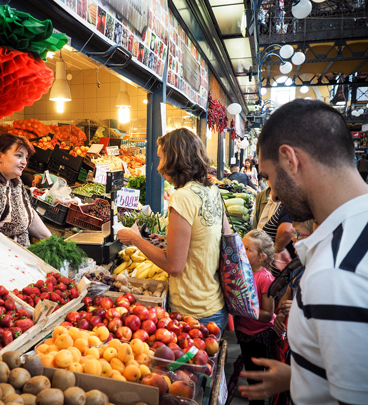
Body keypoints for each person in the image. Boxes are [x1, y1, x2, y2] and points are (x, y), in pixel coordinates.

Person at [238, 99, 368, 404]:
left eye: (269, 176)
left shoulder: (336, 272)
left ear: (290, 160)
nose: (274, 190)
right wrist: (302, 376)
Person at [118, 128, 230, 331]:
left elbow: (174, 266)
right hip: (214, 304)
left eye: (161, 158)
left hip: (192, 311)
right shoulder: (211, 190)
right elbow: (212, 237)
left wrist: (135, 239)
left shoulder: (183, 197)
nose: (159, 166)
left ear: (174, 159)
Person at [236, 230, 279, 405]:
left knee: (258, 378)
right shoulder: (239, 272)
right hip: (244, 333)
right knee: (250, 373)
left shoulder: (266, 279)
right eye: (241, 246)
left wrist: (243, 310)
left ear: (261, 257)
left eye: (247, 249)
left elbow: (268, 314)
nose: (241, 251)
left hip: (260, 337)